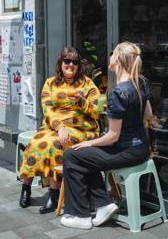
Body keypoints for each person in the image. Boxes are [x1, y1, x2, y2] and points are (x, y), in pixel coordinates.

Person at [60, 42, 150, 230]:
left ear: (117, 59)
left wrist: (88, 142)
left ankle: (80, 215)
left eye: (112, 53)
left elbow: (113, 136)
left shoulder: (118, 92)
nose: (109, 56)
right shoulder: (140, 82)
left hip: (126, 149)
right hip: (141, 147)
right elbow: (148, 116)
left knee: (71, 155)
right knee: (87, 155)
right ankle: (103, 203)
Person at [18, 47, 102, 214]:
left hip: (81, 127)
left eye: (75, 62)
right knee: (36, 143)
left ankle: (54, 194)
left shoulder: (88, 84)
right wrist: (60, 127)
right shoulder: (50, 83)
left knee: (57, 144)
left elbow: (97, 111)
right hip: (55, 125)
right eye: (67, 61)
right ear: (61, 62)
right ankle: (26, 188)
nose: (70, 65)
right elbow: (47, 109)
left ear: (79, 65)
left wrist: (81, 103)